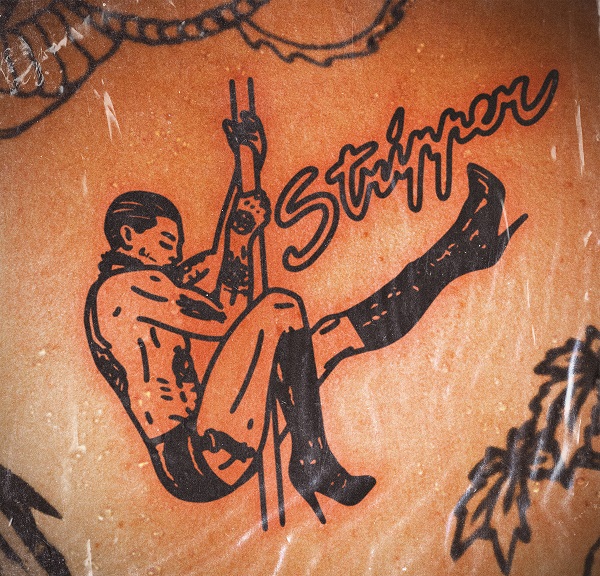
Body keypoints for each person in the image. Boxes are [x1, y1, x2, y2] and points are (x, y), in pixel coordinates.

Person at [85, 91, 526, 525]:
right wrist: (239, 234)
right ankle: (311, 459)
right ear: (129, 238)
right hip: (198, 453)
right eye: (165, 242)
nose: (175, 253)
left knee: (334, 334)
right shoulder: (124, 291)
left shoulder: (156, 284)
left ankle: (460, 253)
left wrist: (247, 168)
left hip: (218, 432)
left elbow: (224, 266)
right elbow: (228, 316)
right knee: (280, 309)